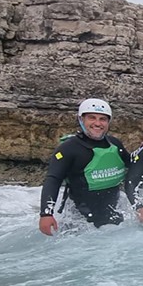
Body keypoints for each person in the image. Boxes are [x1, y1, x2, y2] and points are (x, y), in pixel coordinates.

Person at [39, 98, 131, 235]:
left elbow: (135, 165)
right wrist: (46, 214)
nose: (97, 123)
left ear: (108, 122)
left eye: (103, 119)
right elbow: (53, 179)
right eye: (92, 118)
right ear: (81, 120)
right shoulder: (68, 149)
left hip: (114, 216)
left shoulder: (115, 144)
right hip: (80, 221)